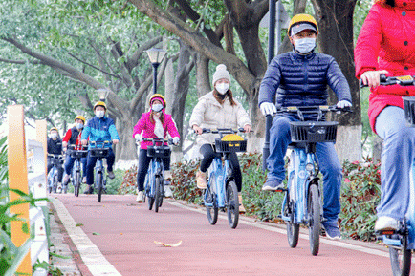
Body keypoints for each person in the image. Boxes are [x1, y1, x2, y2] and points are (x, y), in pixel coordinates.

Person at [258, 14, 352, 239]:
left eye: (309, 34)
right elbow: (269, 81)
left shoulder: (327, 61)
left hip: (316, 121)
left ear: (316, 36)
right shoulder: (280, 61)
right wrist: (265, 101)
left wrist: (344, 98)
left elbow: (338, 79)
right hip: (288, 117)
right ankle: (276, 175)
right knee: (279, 125)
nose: (305, 38)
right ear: (291, 38)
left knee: (333, 169)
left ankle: (329, 219)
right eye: (300, 35)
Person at [355, 0, 415, 231]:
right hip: (390, 94)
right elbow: (366, 44)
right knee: (400, 133)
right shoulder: (380, 11)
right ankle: (390, 213)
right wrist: (368, 70)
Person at [189, 64, 252, 212]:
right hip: (207, 139)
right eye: (220, 82)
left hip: (226, 141)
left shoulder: (234, 102)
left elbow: (242, 115)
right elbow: (196, 114)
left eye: (226, 81)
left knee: (235, 166)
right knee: (209, 155)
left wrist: (246, 124)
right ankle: (202, 173)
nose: (223, 84)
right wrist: (196, 126)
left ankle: (239, 199)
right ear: (214, 84)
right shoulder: (205, 101)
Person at [132, 94, 180, 203]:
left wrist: (175, 137)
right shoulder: (145, 116)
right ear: (151, 105)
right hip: (147, 145)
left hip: (161, 144)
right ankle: (140, 191)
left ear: (163, 105)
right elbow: (138, 127)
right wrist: (138, 135)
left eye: (159, 103)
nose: (157, 105)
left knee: (167, 151)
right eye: (154, 103)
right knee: (142, 170)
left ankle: (166, 180)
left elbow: (172, 130)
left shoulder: (167, 118)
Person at [81, 101, 120, 194]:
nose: (100, 111)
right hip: (93, 147)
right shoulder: (90, 121)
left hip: (106, 146)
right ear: (95, 111)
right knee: (89, 165)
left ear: (105, 111)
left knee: (111, 155)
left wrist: (115, 138)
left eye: (101, 109)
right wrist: (83, 139)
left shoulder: (109, 121)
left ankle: (109, 169)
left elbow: (113, 130)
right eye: (98, 109)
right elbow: (85, 131)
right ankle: (89, 185)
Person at [62, 115, 88, 187]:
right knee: (67, 164)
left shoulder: (85, 131)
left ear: (83, 123)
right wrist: (65, 142)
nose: (78, 123)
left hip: (82, 152)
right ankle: (68, 174)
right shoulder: (71, 130)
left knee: (85, 161)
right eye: (77, 121)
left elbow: (88, 139)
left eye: (80, 121)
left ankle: (84, 176)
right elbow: (65, 138)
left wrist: (86, 141)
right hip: (72, 151)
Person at [47, 127, 64, 193]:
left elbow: (63, 149)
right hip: (50, 157)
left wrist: (63, 154)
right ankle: (45, 180)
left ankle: (59, 184)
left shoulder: (60, 141)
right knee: (48, 166)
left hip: (58, 157)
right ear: (50, 133)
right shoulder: (48, 141)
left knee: (60, 168)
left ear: (57, 133)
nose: (53, 134)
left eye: (55, 132)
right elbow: (45, 149)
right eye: (52, 132)